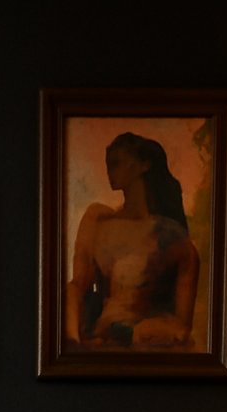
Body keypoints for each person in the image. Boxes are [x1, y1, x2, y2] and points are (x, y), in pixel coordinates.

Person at [65, 132, 199, 350]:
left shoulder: (171, 237)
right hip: (96, 341)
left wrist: (130, 333)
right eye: (108, 163)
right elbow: (77, 286)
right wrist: (73, 343)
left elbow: (181, 328)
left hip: (144, 343)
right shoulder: (97, 219)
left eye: (118, 162)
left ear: (145, 165)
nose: (110, 168)